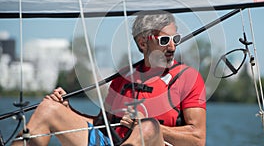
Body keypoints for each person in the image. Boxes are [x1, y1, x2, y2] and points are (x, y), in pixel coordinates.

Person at [12, 12, 206, 146]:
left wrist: (148, 126)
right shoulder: (122, 79)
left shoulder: (188, 79)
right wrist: (67, 110)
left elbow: (197, 139)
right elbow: (100, 125)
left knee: (148, 126)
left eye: (175, 39)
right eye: (165, 40)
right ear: (143, 43)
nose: (172, 47)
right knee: (49, 108)